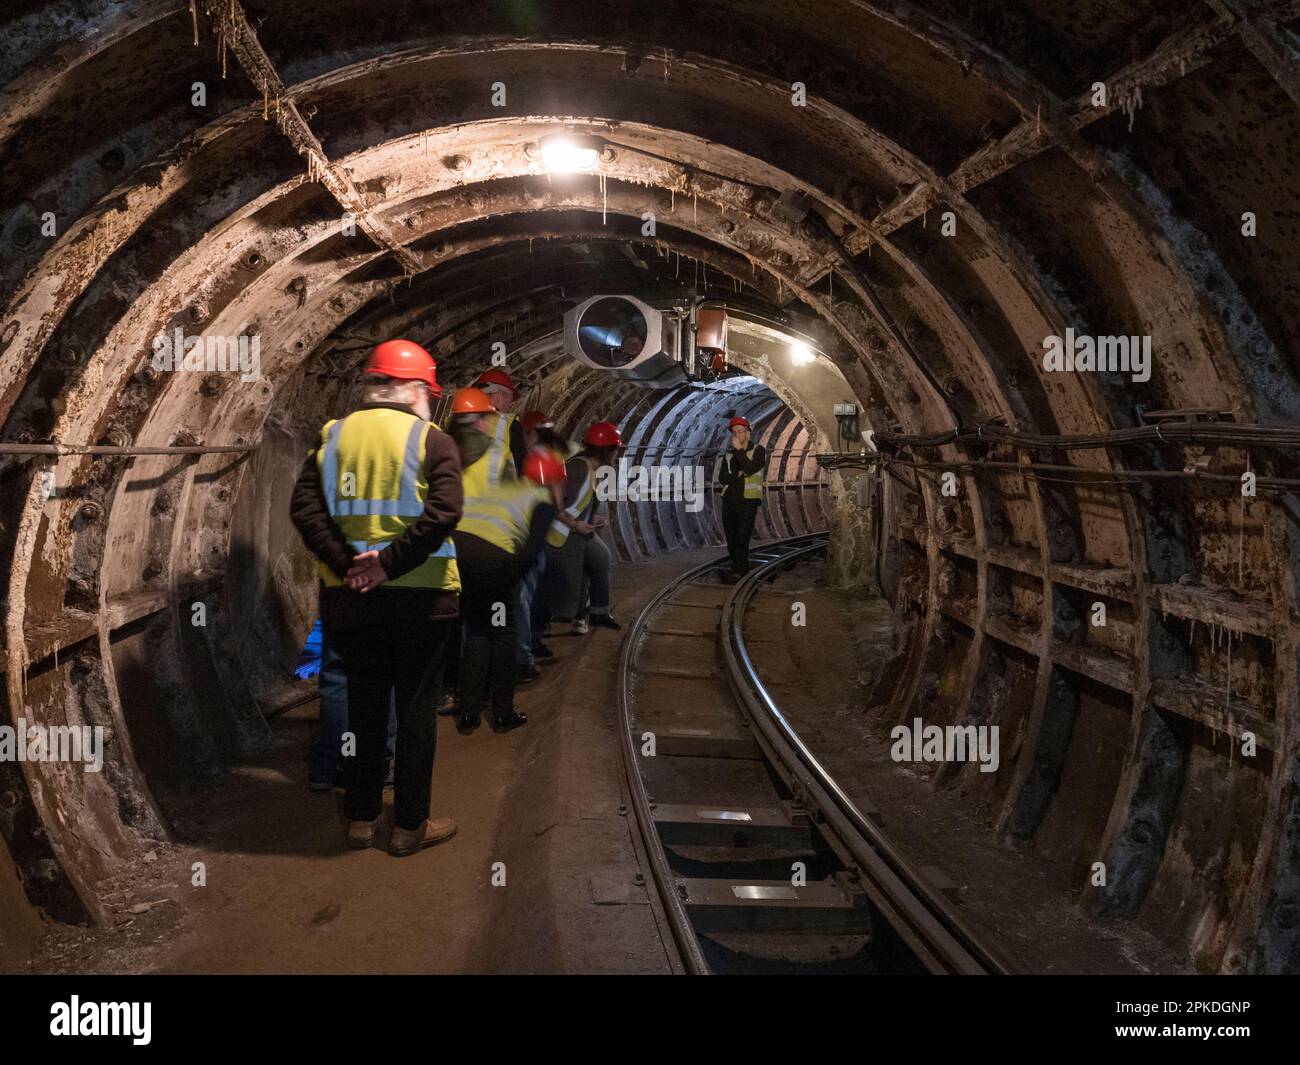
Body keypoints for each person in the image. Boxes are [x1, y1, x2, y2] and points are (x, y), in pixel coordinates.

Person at [290, 338, 462, 857]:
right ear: (412, 389)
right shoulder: (432, 441)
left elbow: (305, 510)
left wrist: (351, 566)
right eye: (427, 390)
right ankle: (410, 825)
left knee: (364, 710)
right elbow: (445, 513)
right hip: (423, 602)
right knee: (414, 712)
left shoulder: (333, 437)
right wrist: (388, 565)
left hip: (353, 601)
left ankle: (361, 819)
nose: (429, 400)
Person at [446, 388, 560, 732]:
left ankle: (467, 713)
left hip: (460, 554)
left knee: (477, 632)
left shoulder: (446, 454)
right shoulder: (496, 456)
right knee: (503, 632)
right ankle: (501, 712)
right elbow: (517, 500)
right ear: (482, 419)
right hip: (494, 554)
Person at [545, 421, 622, 634]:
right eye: (615, 448)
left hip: (577, 530)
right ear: (607, 449)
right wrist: (574, 523)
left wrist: (592, 517)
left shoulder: (589, 467)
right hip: (563, 532)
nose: (616, 453)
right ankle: (557, 620)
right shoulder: (579, 467)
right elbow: (554, 500)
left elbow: (579, 502)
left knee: (600, 559)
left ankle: (597, 613)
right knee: (569, 578)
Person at [718, 416, 766, 583]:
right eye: (734, 432)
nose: (738, 435)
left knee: (742, 537)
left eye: (741, 431)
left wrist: (739, 451)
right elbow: (723, 478)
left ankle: (739, 571)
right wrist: (738, 474)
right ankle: (739, 567)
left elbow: (751, 468)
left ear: (748, 433)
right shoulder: (729, 456)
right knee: (731, 538)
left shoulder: (758, 451)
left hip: (748, 501)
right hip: (729, 501)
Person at [473, 368, 527, 481]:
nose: (509, 405)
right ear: (498, 396)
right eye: (509, 400)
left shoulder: (457, 420)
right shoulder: (509, 425)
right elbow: (520, 469)